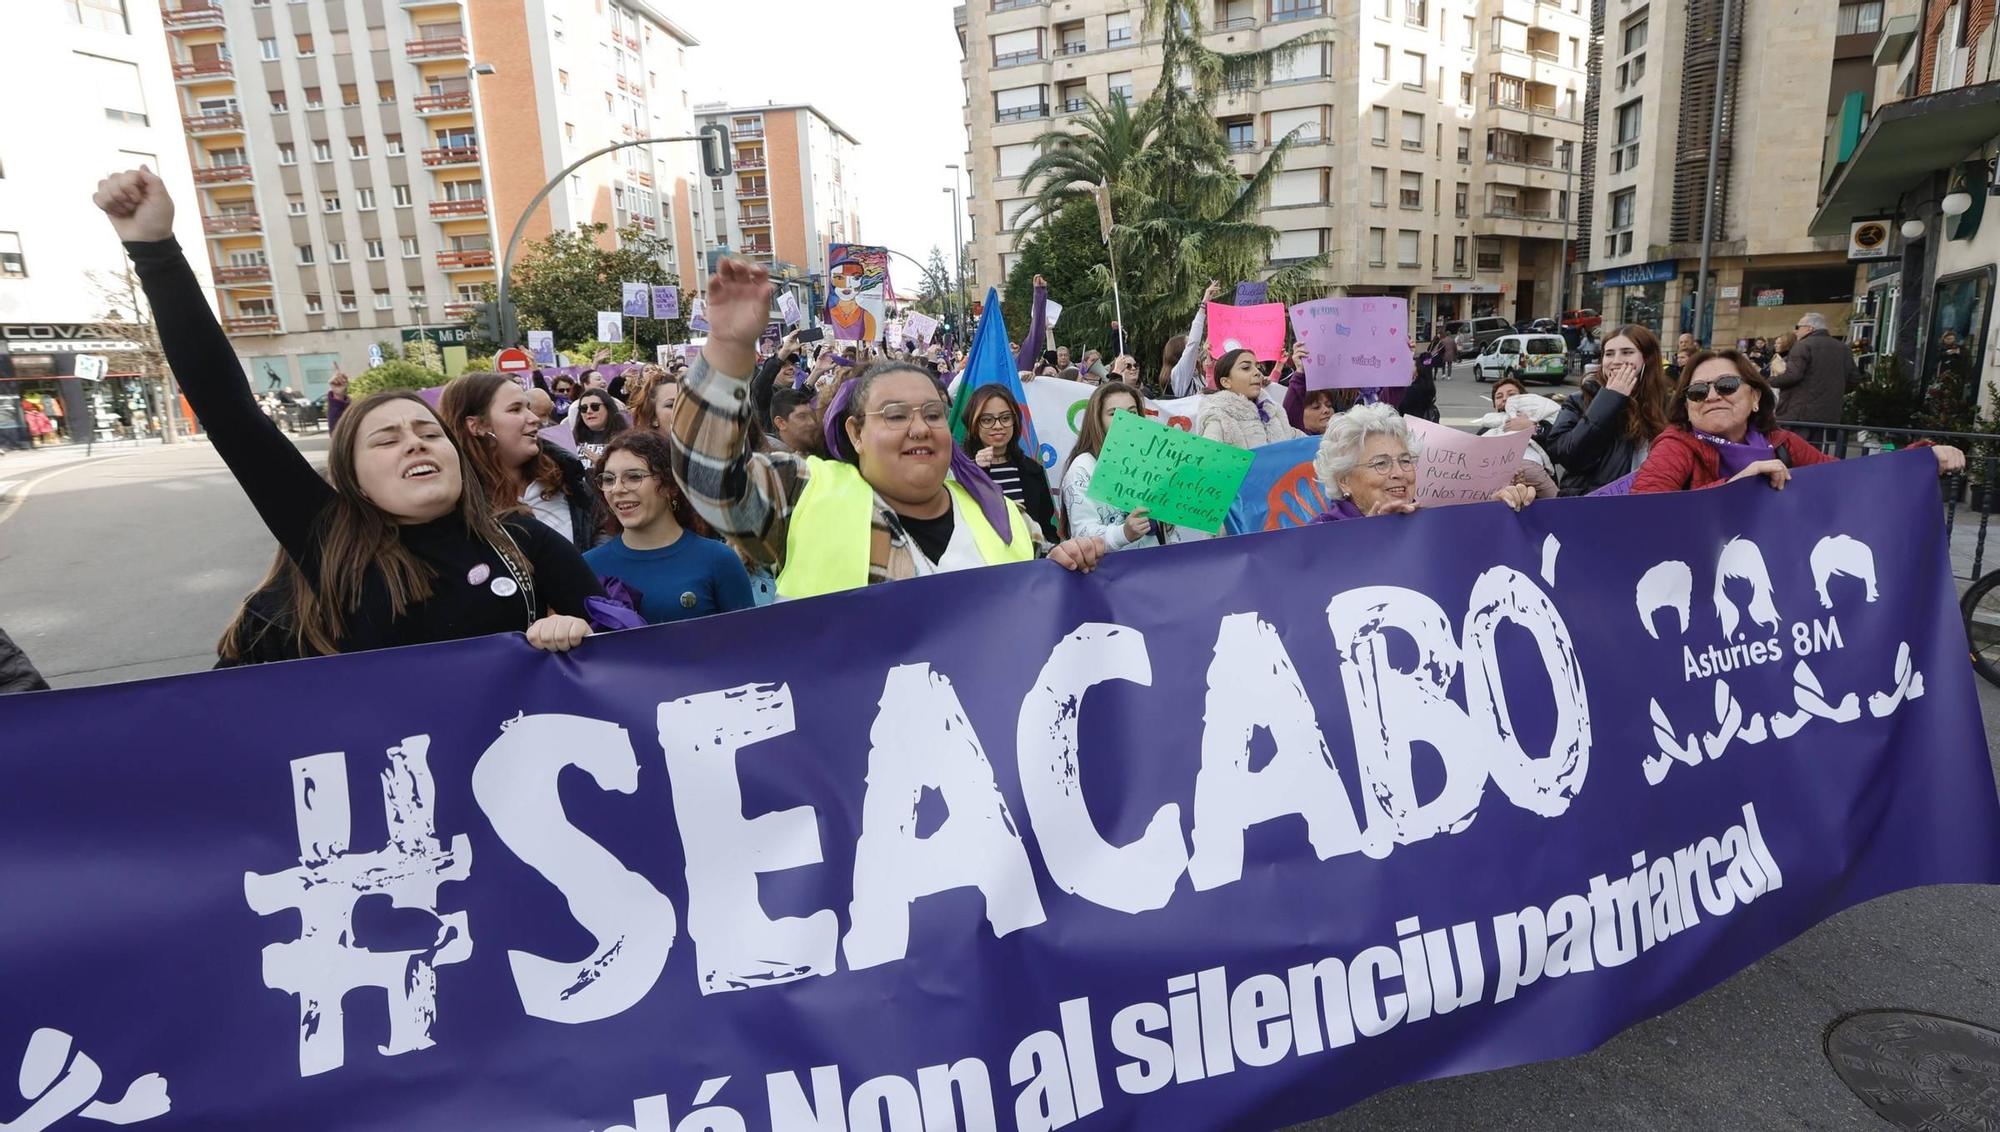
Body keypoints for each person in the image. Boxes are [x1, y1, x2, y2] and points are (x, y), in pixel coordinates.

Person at [96, 167, 600, 655]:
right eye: (385, 439)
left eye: (428, 431)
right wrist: (154, 251)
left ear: (458, 457)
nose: (414, 441)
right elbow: (228, 412)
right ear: (354, 479)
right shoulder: (331, 541)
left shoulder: (522, 538)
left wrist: (575, 633)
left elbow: (621, 643)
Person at [667, 257, 1106, 598]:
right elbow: (709, 477)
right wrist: (728, 348)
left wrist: (1066, 559)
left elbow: (1042, 591)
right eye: (896, 415)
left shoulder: (1000, 512)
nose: (919, 428)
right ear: (855, 432)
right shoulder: (801, 493)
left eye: (933, 414)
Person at [1633, 349, 1964, 493]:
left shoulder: (1781, 444)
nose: (1712, 396)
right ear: (1687, 403)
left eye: (1727, 385)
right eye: (1697, 391)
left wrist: (1923, 456)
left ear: (1756, 398)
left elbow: (1848, 478)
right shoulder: (1677, 445)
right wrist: (1734, 489)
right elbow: (1645, 511)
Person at [585, 430, 754, 624]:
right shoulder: (588, 566)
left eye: (633, 477)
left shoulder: (718, 559)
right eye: (608, 479)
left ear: (670, 485)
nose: (617, 489)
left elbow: (749, 643)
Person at [440, 372, 601, 549]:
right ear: (477, 426)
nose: (534, 419)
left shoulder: (565, 475)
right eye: (515, 409)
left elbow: (601, 527)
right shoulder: (459, 506)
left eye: (528, 408)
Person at [1312, 403, 1536, 520]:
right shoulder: (1319, 537)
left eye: (1405, 460)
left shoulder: (1430, 519)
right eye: (1381, 464)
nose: (1399, 472)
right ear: (1344, 480)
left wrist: (1498, 513)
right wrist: (1372, 534)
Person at [1540, 324, 1673, 496]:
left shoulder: (1666, 403)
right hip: (1592, 507)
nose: (1616, 361)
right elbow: (1568, 455)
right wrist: (1610, 400)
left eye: (1627, 352)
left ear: (1647, 358)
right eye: (1609, 354)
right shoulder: (1580, 400)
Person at [1062, 381, 1178, 552]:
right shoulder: (1083, 467)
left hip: (1159, 566)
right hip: (1113, 573)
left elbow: (1167, 526)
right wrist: (1124, 533)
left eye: (1132, 412)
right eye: (1114, 413)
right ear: (1098, 420)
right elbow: (1082, 533)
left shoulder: (1149, 462)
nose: (1126, 419)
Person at [960, 384, 1058, 541]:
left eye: (1005, 418)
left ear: (1015, 421)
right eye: (987, 420)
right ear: (973, 424)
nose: (998, 426)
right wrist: (975, 472)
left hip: (1029, 560)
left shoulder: (1033, 470)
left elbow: (1046, 527)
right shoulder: (961, 473)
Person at [1769, 312, 1859, 433]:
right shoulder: (1843, 348)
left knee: (1794, 449)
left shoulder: (1803, 346)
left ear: (1809, 328)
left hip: (1799, 413)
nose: (1796, 331)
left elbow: (1792, 376)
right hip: (1828, 413)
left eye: (1798, 327)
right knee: (1815, 450)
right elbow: (1853, 379)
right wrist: (1833, 392)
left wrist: (1770, 380)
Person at [1196, 348, 1299, 449]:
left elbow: (1302, 444)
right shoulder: (1218, 419)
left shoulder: (1274, 412)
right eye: (1246, 368)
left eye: (1257, 367)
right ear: (1226, 382)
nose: (1257, 372)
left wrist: (1301, 370)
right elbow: (1207, 458)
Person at [1169, 281, 1223, 397]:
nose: (1197, 348)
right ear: (1179, 353)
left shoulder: (1199, 376)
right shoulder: (1179, 374)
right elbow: (1194, 342)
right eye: (1187, 345)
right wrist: (1204, 304)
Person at [571, 389, 627, 465]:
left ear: (608, 409)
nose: (588, 411)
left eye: (595, 406)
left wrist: (604, 464)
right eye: (583, 408)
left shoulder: (626, 439)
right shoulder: (571, 439)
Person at [767, 385, 823, 455]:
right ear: (780, 423)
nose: (812, 423)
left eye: (813, 416)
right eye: (802, 417)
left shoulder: (822, 449)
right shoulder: (770, 459)